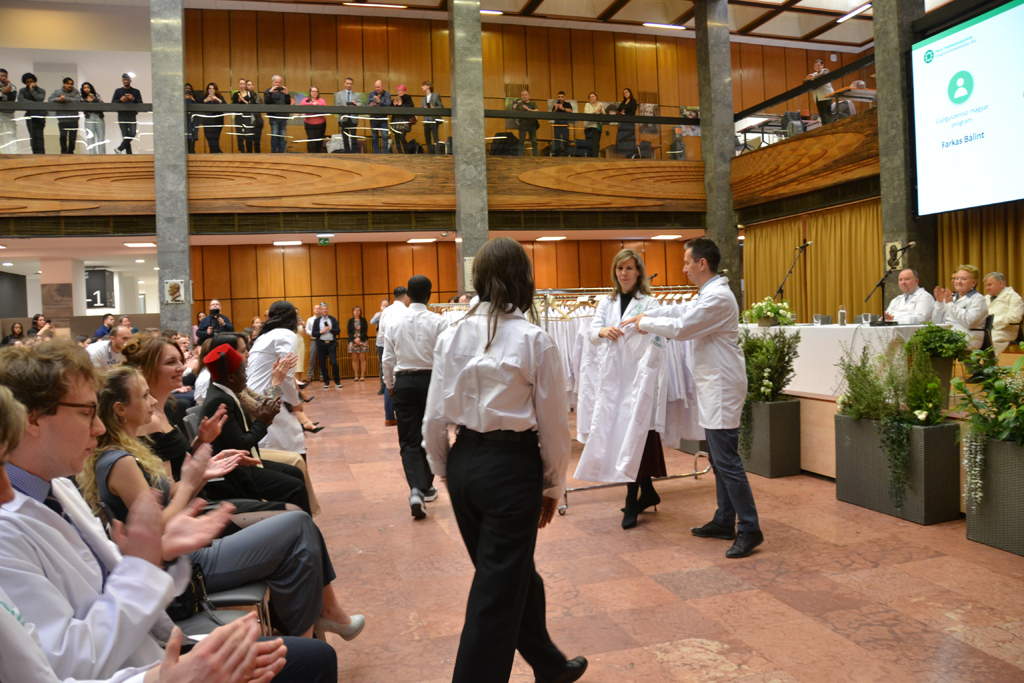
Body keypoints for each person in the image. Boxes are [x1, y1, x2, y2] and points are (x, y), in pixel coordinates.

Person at [0, 341, 339, 683]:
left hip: (148, 646)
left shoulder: (57, 487)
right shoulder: (13, 530)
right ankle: (317, 618)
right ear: (33, 419)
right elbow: (68, 661)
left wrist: (158, 555)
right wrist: (148, 562)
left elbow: (111, 575)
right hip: (132, 666)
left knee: (313, 653)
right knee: (295, 529)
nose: (98, 427)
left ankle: (317, 618)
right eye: (86, 412)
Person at [423, 237, 587, 683]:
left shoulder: (450, 334)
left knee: (510, 575)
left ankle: (550, 665)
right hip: (511, 468)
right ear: (523, 280)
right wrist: (553, 486)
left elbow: (434, 417)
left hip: (464, 461)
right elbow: (554, 428)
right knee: (496, 592)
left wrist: (445, 470)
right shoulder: (535, 340)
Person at [623, 237, 764, 559]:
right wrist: (648, 312)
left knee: (727, 461)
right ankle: (724, 520)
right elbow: (682, 310)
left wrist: (646, 322)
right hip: (714, 385)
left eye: (687, 262)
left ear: (702, 263)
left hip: (722, 387)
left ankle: (750, 528)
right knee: (717, 459)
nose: (684, 269)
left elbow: (683, 327)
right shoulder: (709, 294)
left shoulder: (718, 298)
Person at [579, 249, 666, 529]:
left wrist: (646, 327)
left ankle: (632, 501)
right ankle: (648, 492)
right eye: (619, 268)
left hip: (639, 380)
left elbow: (660, 337)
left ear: (638, 272)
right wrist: (602, 331)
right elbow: (591, 332)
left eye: (629, 268)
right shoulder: (607, 302)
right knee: (623, 437)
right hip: (614, 381)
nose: (624, 273)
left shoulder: (650, 303)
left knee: (635, 437)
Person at [383, 275, 447, 519]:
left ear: (407, 295)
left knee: (409, 439)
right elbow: (447, 357)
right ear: (429, 295)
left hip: (405, 381)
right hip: (432, 382)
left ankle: (416, 490)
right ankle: (427, 486)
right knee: (430, 435)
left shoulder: (394, 322)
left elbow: (387, 359)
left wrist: (390, 385)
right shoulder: (439, 322)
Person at [933, 265, 989, 350]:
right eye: (957, 278)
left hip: (968, 338)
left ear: (974, 283)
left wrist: (950, 304)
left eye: (963, 279)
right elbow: (936, 322)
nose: (959, 281)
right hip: (948, 337)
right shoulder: (951, 297)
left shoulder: (978, 299)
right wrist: (940, 302)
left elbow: (971, 322)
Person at [377, 287, 409, 426]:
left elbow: (381, 332)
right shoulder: (407, 311)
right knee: (402, 379)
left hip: (387, 347)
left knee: (388, 380)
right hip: (403, 349)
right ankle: (404, 414)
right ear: (405, 297)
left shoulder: (386, 311)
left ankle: (389, 417)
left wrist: (387, 343)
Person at [983, 272, 1023, 355]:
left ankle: (990, 361)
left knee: (988, 340)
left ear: (1001, 284)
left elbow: (1015, 317)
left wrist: (992, 322)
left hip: (1005, 330)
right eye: (986, 286)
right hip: (986, 329)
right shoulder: (985, 298)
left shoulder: (1013, 296)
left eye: (990, 285)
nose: (987, 288)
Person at [48, 77, 82, 154]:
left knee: (72, 138)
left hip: (73, 119)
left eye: (71, 84)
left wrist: (65, 99)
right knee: (63, 137)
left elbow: (78, 100)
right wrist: (59, 99)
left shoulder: (75, 91)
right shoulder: (57, 91)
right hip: (62, 118)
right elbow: (50, 99)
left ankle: (70, 152)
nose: (70, 85)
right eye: (68, 84)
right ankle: (63, 152)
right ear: (64, 84)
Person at [311, 303, 341, 389]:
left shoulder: (333, 319)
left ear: (328, 310)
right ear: (320, 310)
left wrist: (330, 329)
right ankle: (326, 382)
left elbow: (338, 331)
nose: (324, 310)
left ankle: (337, 381)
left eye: (326, 309)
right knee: (323, 364)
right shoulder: (317, 320)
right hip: (321, 344)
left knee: (334, 362)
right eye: (323, 309)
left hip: (331, 344)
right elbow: (313, 333)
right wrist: (320, 332)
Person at [113, 73, 143, 154]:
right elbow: (113, 103)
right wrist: (120, 100)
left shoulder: (136, 91)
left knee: (132, 133)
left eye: (127, 79)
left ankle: (119, 149)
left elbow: (141, 103)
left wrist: (133, 99)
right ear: (122, 80)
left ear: (130, 80)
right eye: (124, 79)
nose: (126, 81)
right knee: (125, 136)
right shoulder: (118, 91)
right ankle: (129, 154)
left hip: (132, 114)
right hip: (121, 115)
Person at [19, 72, 47, 155]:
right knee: (32, 136)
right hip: (29, 115)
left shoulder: (41, 90)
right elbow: (21, 101)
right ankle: (34, 154)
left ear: (34, 81)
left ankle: (41, 154)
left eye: (31, 81)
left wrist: (32, 90)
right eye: (27, 82)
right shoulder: (22, 91)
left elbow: (39, 99)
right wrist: (34, 104)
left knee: (39, 136)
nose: (29, 83)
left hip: (40, 115)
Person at [264, 75, 292, 154]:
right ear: (272, 82)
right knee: (274, 135)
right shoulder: (268, 91)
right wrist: (270, 93)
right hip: (274, 117)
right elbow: (266, 102)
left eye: (279, 83)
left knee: (282, 136)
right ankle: (273, 153)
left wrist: (287, 94)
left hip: (283, 117)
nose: (278, 84)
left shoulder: (283, 91)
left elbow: (288, 103)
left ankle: (281, 153)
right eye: (276, 82)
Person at [804, 59, 834, 125]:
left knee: (827, 113)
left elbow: (824, 76)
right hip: (817, 97)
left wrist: (813, 77)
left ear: (822, 65)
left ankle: (830, 127)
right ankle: (824, 127)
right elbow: (805, 82)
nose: (817, 67)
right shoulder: (813, 74)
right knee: (822, 114)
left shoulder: (825, 71)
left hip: (826, 96)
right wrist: (807, 79)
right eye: (815, 66)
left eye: (818, 65)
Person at [232, 77, 257, 153]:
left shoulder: (250, 94)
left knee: (248, 134)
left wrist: (244, 101)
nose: (242, 85)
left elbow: (254, 105)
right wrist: (239, 100)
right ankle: (242, 150)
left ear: (245, 85)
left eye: (243, 84)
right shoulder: (236, 94)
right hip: (239, 116)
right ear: (238, 85)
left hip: (247, 116)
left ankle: (249, 151)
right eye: (241, 84)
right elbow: (232, 106)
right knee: (239, 134)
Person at [80, 82, 106, 154]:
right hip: (89, 117)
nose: (86, 89)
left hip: (98, 116)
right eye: (84, 88)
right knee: (90, 137)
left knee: (101, 137)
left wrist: (93, 100)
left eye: (88, 87)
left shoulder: (96, 95)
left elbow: (102, 104)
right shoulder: (82, 97)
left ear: (91, 88)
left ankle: (102, 155)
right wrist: (87, 101)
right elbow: (81, 106)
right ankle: (92, 154)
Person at [298, 87, 326, 153]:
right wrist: (312, 104)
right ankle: (310, 155)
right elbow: (302, 105)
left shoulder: (321, 100)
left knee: (319, 141)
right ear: (310, 92)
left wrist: (316, 105)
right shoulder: (305, 100)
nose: (314, 93)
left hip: (321, 124)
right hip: (309, 124)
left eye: (316, 91)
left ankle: (318, 156)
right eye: (313, 91)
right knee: (311, 141)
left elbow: (324, 107)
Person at [370, 298, 389, 395]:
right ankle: (382, 386)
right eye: (383, 305)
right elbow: (372, 322)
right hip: (380, 343)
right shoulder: (378, 314)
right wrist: (380, 314)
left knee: (390, 365)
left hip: (389, 343)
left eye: (386, 305)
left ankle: (390, 385)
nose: (384, 307)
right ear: (380, 306)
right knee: (381, 365)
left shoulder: (391, 314)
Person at [367, 79, 391, 154]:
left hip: (383, 118)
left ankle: (385, 153)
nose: (377, 89)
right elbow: (366, 105)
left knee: (385, 136)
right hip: (373, 118)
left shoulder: (387, 94)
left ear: (382, 86)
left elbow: (389, 105)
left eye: (378, 87)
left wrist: (380, 102)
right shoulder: (371, 94)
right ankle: (376, 153)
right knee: (374, 137)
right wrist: (370, 105)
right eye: (376, 87)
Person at [201, 82, 226, 153]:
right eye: (209, 88)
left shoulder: (219, 97)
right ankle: (216, 152)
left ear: (215, 90)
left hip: (218, 120)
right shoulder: (204, 97)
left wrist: (217, 99)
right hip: (207, 121)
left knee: (216, 137)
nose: (211, 90)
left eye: (213, 89)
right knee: (209, 137)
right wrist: (206, 100)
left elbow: (225, 106)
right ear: (207, 90)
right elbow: (198, 105)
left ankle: (215, 152)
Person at [347, 305, 369, 382]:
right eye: (355, 310)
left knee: (362, 359)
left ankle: (362, 375)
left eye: (358, 310)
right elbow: (349, 332)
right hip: (353, 341)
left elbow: (365, 330)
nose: (357, 312)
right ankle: (356, 375)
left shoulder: (363, 320)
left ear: (360, 312)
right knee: (355, 359)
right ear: (353, 312)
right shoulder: (350, 321)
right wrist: (354, 339)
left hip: (362, 340)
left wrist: (359, 338)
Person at [390, 84, 414, 152]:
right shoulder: (395, 98)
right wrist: (393, 105)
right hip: (396, 120)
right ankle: (399, 152)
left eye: (401, 90)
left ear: (404, 91)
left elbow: (411, 106)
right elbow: (390, 108)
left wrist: (401, 105)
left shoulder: (408, 98)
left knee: (402, 137)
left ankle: (407, 152)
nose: (399, 92)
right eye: (398, 91)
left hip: (404, 120)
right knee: (396, 138)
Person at [515, 89, 539, 157]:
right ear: (521, 96)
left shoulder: (533, 103)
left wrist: (528, 109)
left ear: (528, 96)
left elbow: (537, 111)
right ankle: (521, 157)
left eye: (526, 95)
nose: (524, 96)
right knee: (521, 141)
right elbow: (516, 114)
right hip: (522, 124)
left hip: (532, 124)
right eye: (523, 95)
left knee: (533, 141)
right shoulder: (519, 105)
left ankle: (535, 157)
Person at [421, 80, 442, 154]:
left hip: (433, 119)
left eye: (423, 85)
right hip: (426, 120)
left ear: (428, 86)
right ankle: (430, 153)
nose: (422, 87)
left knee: (435, 137)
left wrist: (434, 108)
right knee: (427, 138)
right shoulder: (423, 99)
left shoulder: (436, 95)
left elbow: (441, 106)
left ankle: (437, 153)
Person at [615, 87, 638, 155]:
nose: (625, 94)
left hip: (629, 123)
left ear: (630, 93)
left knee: (629, 138)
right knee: (621, 138)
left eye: (627, 92)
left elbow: (633, 112)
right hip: (622, 123)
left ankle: (630, 153)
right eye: (624, 93)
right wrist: (620, 113)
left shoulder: (633, 101)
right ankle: (622, 152)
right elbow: (618, 110)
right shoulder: (623, 102)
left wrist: (625, 114)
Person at [0, 68, 17, 153]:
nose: (4, 77)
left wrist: (8, 89)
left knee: (12, 132)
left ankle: (14, 153)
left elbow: (12, 98)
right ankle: (1, 153)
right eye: (2, 76)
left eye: (5, 76)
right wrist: (3, 93)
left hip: (9, 113)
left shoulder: (12, 86)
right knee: (0, 134)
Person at [550, 90, 572, 157]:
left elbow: (570, 111)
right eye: (559, 97)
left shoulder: (567, 104)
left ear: (564, 97)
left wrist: (563, 108)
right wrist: (556, 108)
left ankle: (566, 153)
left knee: (565, 138)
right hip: (557, 124)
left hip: (565, 123)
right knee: (557, 138)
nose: (560, 98)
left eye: (562, 97)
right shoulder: (556, 104)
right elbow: (552, 113)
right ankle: (556, 153)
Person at [245, 80, 264, 153]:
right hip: (248, 121)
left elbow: (262, 106)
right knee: (248, 143)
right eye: (249, 85)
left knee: (257, 142)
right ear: (246, 87)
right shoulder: (244, 96)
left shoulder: (257, 96)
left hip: (257, 121)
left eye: (252, 84)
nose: (251, 86)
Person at [583, 92, 604, 158]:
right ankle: (590, 157)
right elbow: (587, 113)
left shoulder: (600, 104)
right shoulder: (587, 104)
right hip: (589, 126)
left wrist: (600, 110)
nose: (591, 98)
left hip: (597, 126)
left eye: (592, 96)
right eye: (590, 97)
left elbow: (604, 114)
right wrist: (597, 110)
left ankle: (595, 157)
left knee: (596, 143)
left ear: (596, 97)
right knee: (589, 143)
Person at [304, 304, 321, 382]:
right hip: (314, 340)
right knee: (312, 358)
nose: (317, 310)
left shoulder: (323, 319)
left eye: (318, 308)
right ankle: (310, 375)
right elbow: (307, 330)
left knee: (322, 358)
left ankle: (322, 375)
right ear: (314, 310)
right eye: (316, 308)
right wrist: (313, 333)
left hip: (321, 340)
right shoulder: (310, 319)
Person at [184, 83, 199, 153]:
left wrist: (192, 99)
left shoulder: (194, 98)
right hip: (184, 122)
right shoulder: (180, 99)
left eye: (189, 89)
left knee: (191, 144)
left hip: (192, 122)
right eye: (186, 89)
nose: (188, 91)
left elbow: (198, 108)